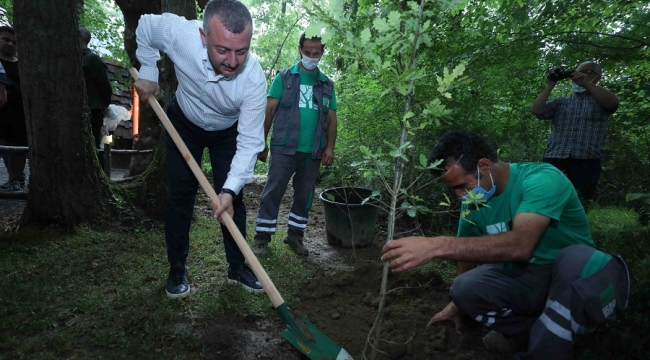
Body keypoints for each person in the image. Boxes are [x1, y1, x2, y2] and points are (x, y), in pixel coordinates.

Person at [381, 130, 630, 359]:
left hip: (575, 276)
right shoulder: (474, 202)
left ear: (484, 165)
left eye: (460, 186)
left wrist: (436, 246)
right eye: (452, 190)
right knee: (464, 287)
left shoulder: (541, 179)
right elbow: (466, 251)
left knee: (573, 259)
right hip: (529, 277)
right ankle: (530, 330)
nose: (458, 196)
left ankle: (547, 345)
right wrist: (457, 304)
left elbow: (520, 245)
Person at [134, 0, 267, 299]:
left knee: (234, 202)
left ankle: (237, 267)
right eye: (222, 50)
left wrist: (230, 190)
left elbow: (249, 143)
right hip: (184, 123)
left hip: (226, 134)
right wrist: (148, 71)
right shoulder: (180, 34)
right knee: (180, 197)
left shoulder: (254, 79)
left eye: (241, 51)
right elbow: (144, 26)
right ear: (203, 36)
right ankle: (177, 269)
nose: (233, 61)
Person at [252, 32, 338, 257]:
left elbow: (331, 119)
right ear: (299, 49)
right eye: (307, 52)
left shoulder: (327, 85)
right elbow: (269, 110)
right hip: (284, 148)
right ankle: (262, 238)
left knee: (305, 195)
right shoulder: (284, 77)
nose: (311, 56)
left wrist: (329, 147)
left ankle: (295, 236)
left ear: (322, 53)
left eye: (316, 53)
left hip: (313, 152)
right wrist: (261, 143)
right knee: (273, 191)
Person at [530, 61, 619, 201]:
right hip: (556, 157)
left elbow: (613, 103)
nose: (580, 74)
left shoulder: (601, 102)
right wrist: (551, 83)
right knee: (548, 197)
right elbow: (536, 110)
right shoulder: (561, 102)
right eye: (578, 71)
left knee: (581, 200)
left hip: (587, 159)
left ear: (598, 77)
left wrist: (587, 84)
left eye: (587, 72)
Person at [79, 26, 112, 170]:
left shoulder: (92, 59)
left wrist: (104, 104)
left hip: (92, 109)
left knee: (92, 145)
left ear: (80, 37)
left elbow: (105, 85)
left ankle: (102, 178)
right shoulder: (71, 61)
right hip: (76, 109)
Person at [0, 25, 28, 193]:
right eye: (5, 39)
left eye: (14, 42)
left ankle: (15, 180)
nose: (10, 44)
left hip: (17, 114)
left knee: (17, 148)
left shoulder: (22, 65)